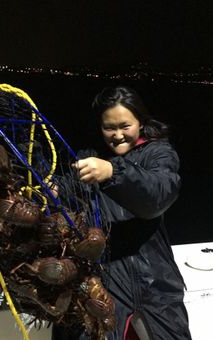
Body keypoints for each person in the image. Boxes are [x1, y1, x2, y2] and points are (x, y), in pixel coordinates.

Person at [51, 86, 191, 340]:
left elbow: (159, 194)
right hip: (102, 279)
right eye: (109, 128)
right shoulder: (88, 158)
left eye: (125, 126)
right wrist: (55, 189)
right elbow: (68, 189)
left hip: (154, 280)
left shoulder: (158, 153)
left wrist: (112, 174)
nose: (117, 135)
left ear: (140, 122)